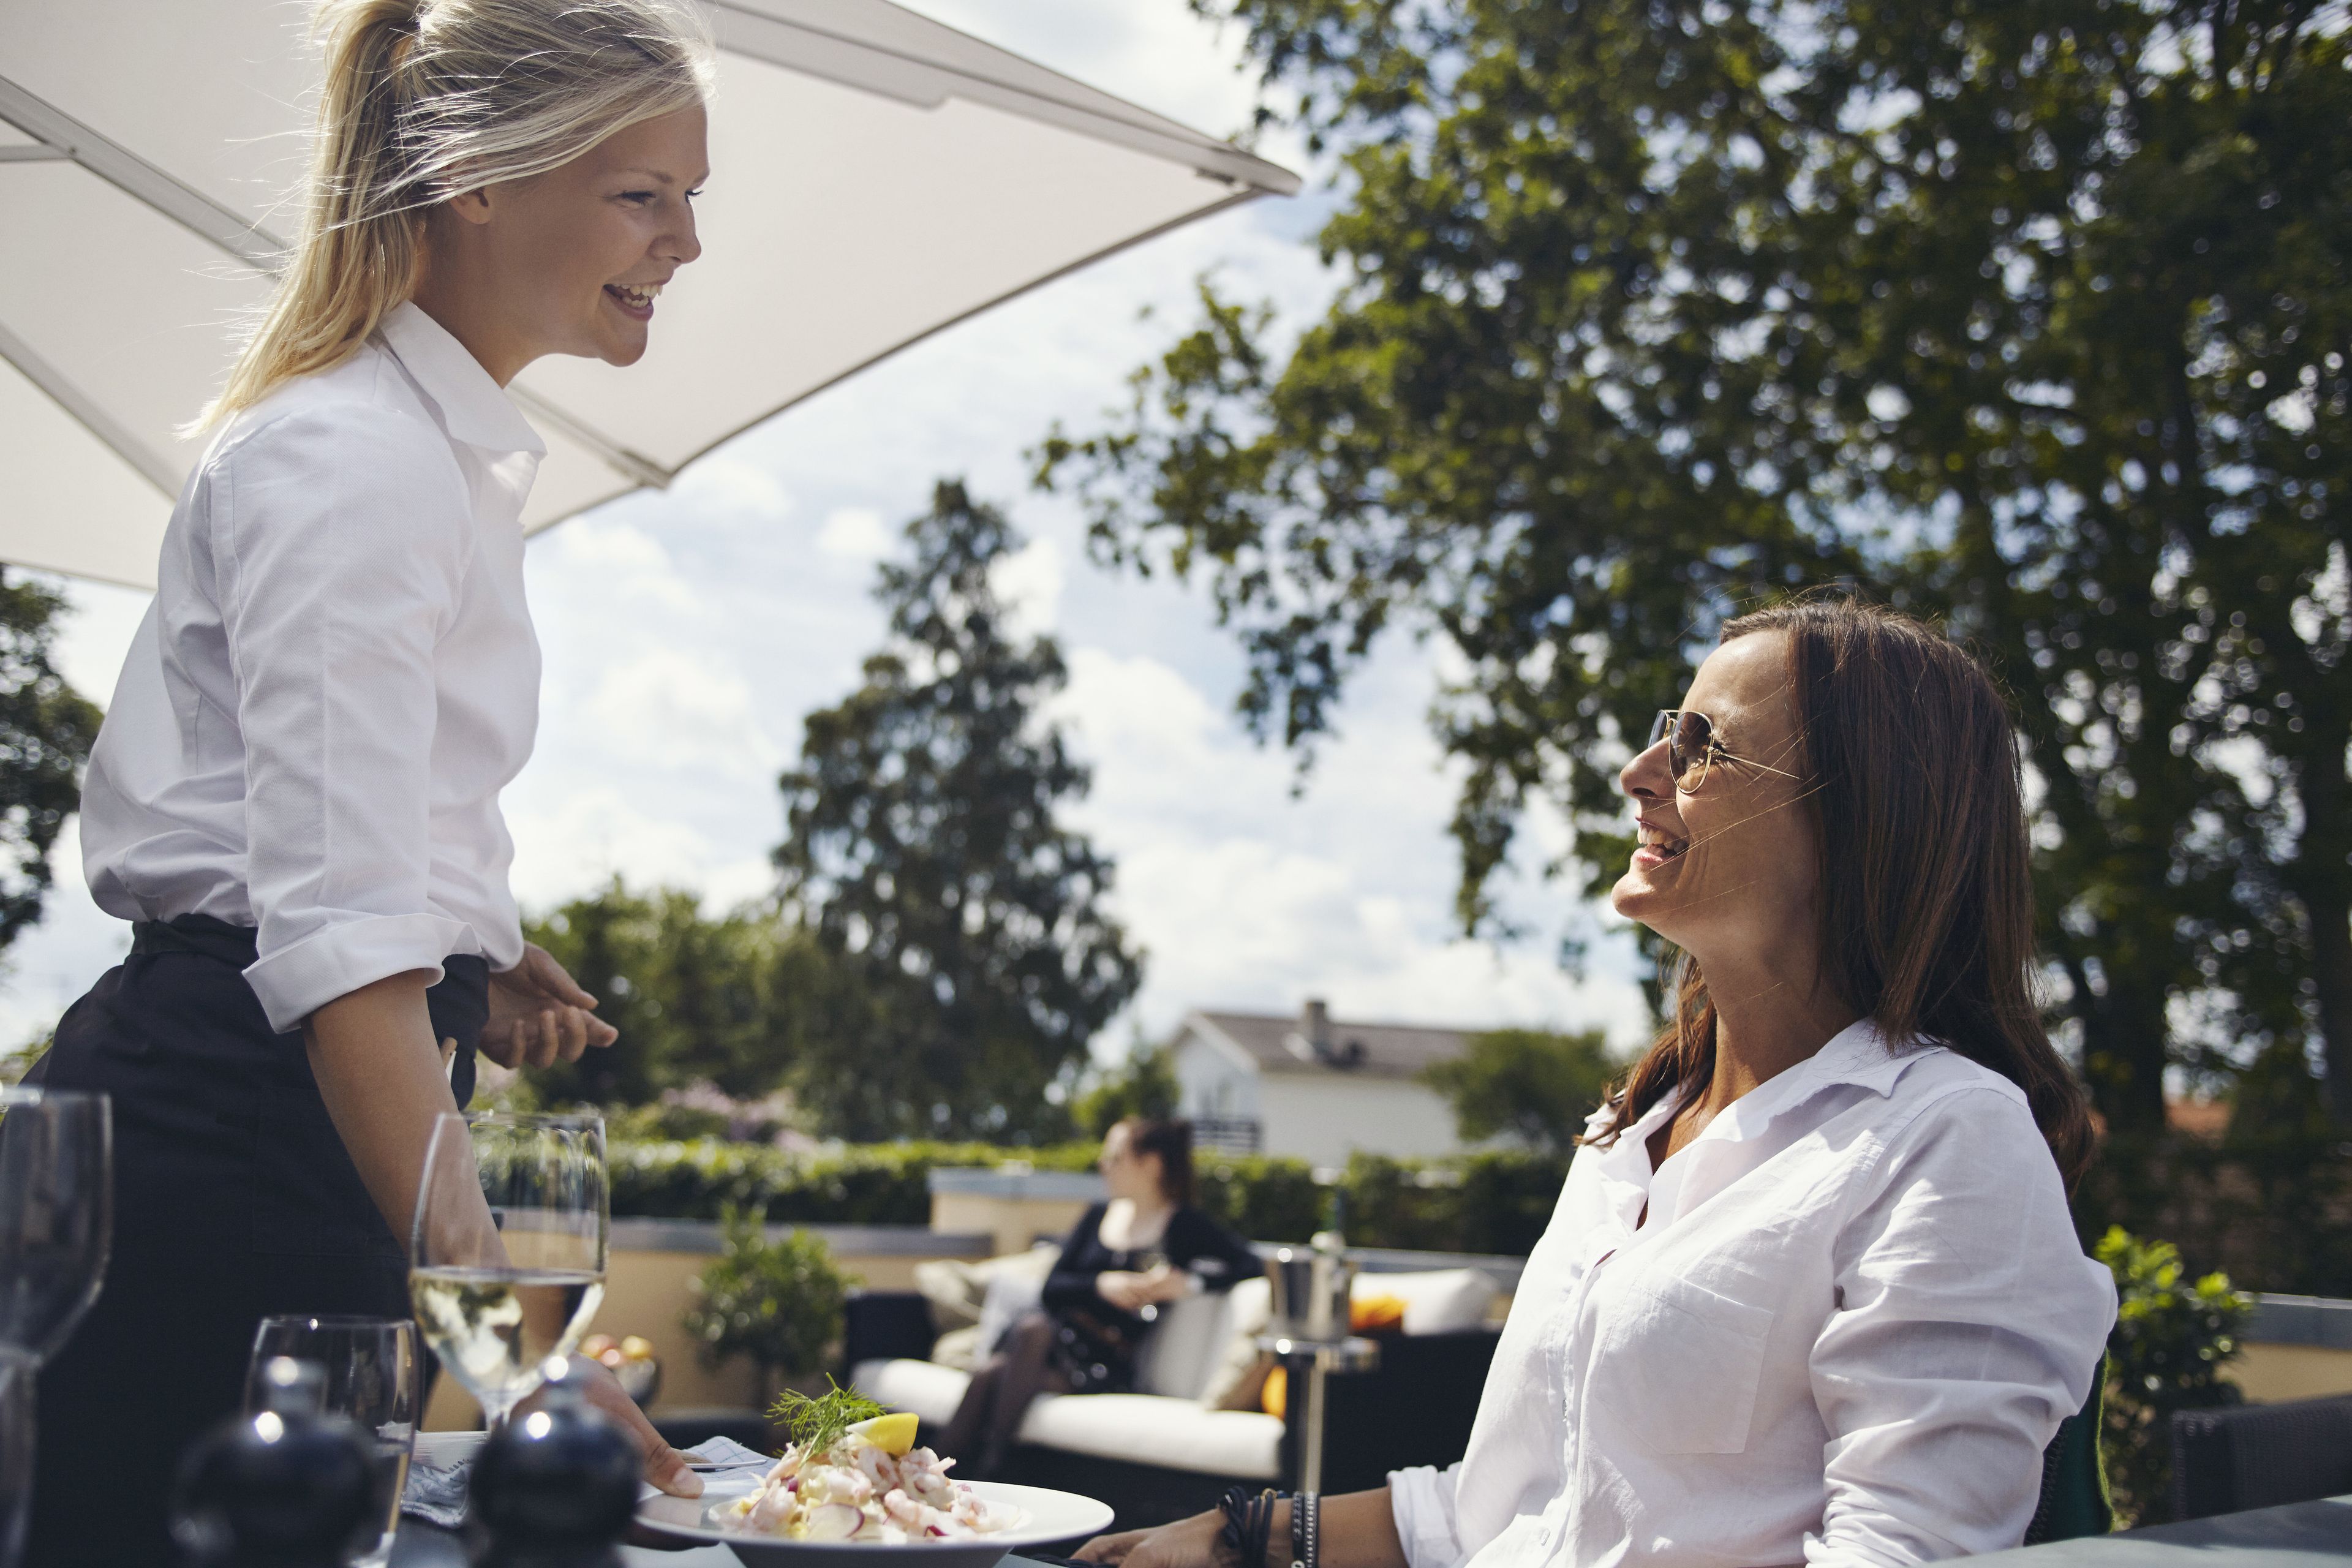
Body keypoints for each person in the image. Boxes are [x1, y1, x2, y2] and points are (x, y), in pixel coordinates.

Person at [25, 2, 714, 1561]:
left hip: (282, 1126)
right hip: (230, 1152)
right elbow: (340, 962)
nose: (684, 242)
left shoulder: (422, 455)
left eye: (689, 198)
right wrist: (520, 1358)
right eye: (641, 193)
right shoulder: (356, 460)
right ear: (478, 182)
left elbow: (324, 852)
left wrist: (467, 935)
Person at [1079, 597, 2120, 1568]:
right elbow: (1498, 1515)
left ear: (1860, 816)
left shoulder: (1950, 1144)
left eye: (1702, 746)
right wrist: (1237, 1536)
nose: (1638, 772)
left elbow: (1899, 1555)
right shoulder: (1630, 1136)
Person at [940, 1118, 1261, 1476]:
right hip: (1054, 1350)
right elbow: (1052, 1288)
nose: (1103, 1165)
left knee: (1009, 1357)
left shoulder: (1182, 1224)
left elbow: (1250, 1264)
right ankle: (969, 1472)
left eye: (1115, 1157)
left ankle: (951, 1473)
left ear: (1151, 1165)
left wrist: (1188, 1284)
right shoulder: (1097, 1217)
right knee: (1000, 1365)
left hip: (1106, 1363)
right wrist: (1100, 1285)